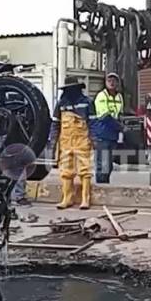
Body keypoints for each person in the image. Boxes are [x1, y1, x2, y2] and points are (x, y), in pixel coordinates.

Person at [51, 76, 95, 210]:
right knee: (65, 170)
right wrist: (53, 140)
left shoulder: (87, 102)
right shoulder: (61, 104)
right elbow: (55, 123)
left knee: (85, 169)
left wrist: (94, 139)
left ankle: (85, 199)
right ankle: (67, 199)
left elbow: (93, 123)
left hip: (82, 140)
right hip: (65, 141)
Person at [93, 72, 124, 184]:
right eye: (109, 80)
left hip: (112, 135)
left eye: (114, 80)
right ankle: (101, 187)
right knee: (103, 165)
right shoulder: (101, 96)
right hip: (102, 134)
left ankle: (105, 186)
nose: (112, 82)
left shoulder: (119, 97)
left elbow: (120, 114)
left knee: (109, 165)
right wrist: (120, 127)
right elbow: (104, 116)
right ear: (105, 83)